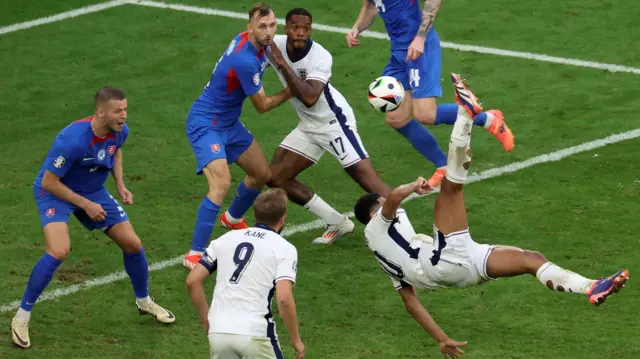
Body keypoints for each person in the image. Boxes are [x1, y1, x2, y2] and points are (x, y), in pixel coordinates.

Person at [353, 75, 629, 358]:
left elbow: (410, 303)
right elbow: (395, 198)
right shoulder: (376, 226)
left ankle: (592, 287)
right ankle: (465, 113)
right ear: (374, 211)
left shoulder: (384, 257)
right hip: (440, 262)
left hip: (456, 270)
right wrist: (412, 186)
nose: (388, 202)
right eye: (382, 202)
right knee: (451, 187)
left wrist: (442, 339)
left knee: (529, 259)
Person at [11, 87, 175, 349]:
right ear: (100, 111)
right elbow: (49, 182)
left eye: (125, 109)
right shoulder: (72, 140)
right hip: (55, 192)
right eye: (117, 110)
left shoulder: (120, 131)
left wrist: (120, 185)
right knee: (58, 250)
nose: (123, 115)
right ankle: (21, 317)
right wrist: (86, 205)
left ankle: (144, 302)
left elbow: (116, 151)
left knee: (133, 244)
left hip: (92, 190)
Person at [346, 0, 515, 192]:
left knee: (426, 114)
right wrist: (356, 29)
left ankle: (490, 119)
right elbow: (370, 7)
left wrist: (420, 38)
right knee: (396, 117)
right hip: (399, 53)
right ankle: (443, 165)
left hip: (421, 48)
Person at [264, 7, 392, 244]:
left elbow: (310, 97)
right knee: (276, 178)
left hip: (334, 122)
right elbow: (250, 39)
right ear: (286, 29)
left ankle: (406, 230)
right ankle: (336, 221)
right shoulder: (274, 44)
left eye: (306, 28)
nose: (301, 33)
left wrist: (282, 63)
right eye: (296, 28)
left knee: (365, 178)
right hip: (308, 124)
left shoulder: (320, 56)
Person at [184, 3, 292, 269]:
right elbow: (263, 105)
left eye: (272, 25)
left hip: (228, 122)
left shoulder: (248, 40)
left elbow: (271, 48)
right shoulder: (245, 60)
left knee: (261, 175)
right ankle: (195, 254)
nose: (269, 32)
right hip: (206, 123)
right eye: (262, 27)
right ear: (250, 28)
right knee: (220, 185)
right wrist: (295, 89)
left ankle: (232, 219)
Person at [186, 188, 305, 359]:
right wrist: (296, 339)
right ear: (282, 218)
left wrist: (207, 320)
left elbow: (192, 281)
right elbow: (284, 298)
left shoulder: (225, 239)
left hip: (219, 332)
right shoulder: (284, 248)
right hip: (254, 334)